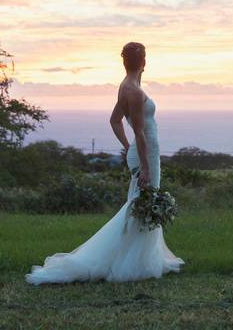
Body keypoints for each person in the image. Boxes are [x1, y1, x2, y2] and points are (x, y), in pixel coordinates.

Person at [25, 42, 185, 284]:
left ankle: (139, 259)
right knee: (141, 205)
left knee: (142, 205)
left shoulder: (126, 87)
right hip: (146, 154)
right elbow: (140, 133)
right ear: (144, 62)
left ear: (125, 62)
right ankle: (131, 264)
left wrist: (127, 147)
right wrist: (143, 164)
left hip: (142, 152)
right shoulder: (134, 91)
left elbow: (115, 121)